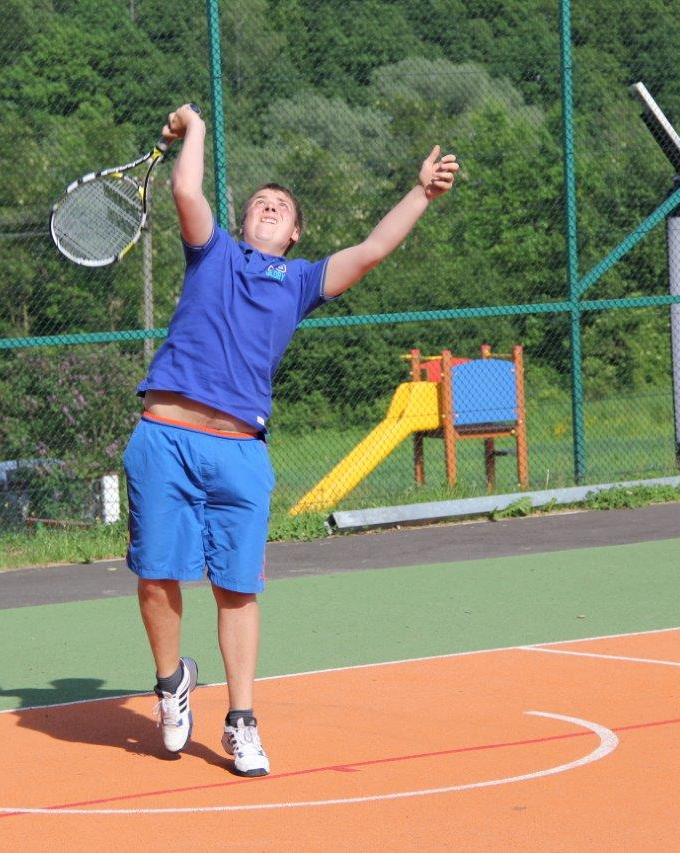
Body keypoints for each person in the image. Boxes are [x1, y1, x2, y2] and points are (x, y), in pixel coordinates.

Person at [123, 103, 458, 777]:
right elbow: (186, 188)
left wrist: (421, 194)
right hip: (165, 438)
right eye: (259, 202)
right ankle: (170, 684)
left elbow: (373, 249)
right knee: (157, 577)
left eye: (281, 205)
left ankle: (241, 721)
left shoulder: (302, 281)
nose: (269, 205)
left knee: (236, 590)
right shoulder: (212, 252)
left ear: (295, 231)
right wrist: (197, 130)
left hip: (240, 452)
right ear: (242, 222)